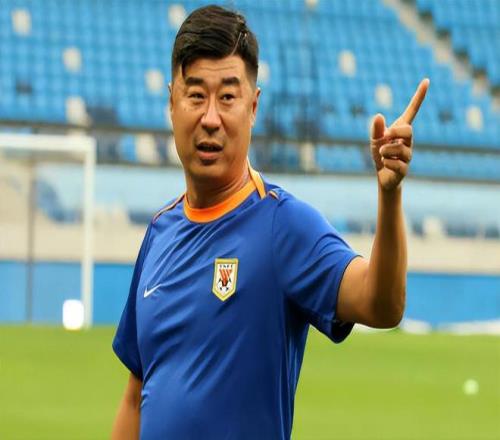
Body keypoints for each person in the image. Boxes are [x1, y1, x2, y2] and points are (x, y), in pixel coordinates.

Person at [111, 4, 429, 439]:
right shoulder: (159, 232)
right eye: (196, 95)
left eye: (227, 97)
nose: (210, 118)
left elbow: (382, 305)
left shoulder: (282, 225)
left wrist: (390, 196)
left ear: (253, 106)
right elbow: (136, 394)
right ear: (172, 102)